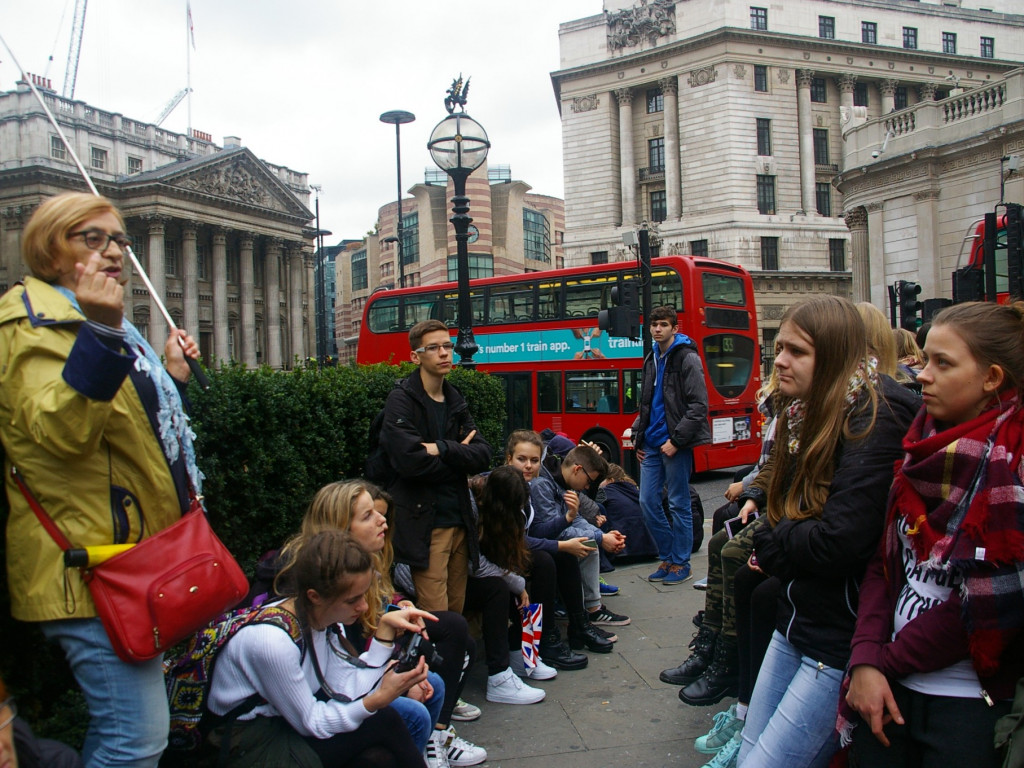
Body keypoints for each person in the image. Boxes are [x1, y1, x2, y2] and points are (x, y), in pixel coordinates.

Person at [0, 192, 203, 768]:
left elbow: (126, 434)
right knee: (133, 740)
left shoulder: (91, 319)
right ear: (49, 248)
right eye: (92, 238)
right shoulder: (30, 322)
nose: (113, 252)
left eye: (118, 240)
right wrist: (103, 333)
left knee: (130, 734)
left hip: (130, 559)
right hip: (88, 567)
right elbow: (59, 435)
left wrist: (171, 379)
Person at [734, 295, 918, 768]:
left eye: (796, 351)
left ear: (834, 355)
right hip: (794, 620)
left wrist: (777, 538)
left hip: (835, 640)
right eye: (779, 348)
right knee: (749, 753)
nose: (779, 361)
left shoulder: (876, 417)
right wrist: (782, 533)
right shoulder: (806, 411)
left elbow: (840, 540)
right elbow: (781, 509)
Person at [845, 301, 1024, 768]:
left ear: (992, 378)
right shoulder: (917, 449)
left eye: (943, 364)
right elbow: (884, 566)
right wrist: (864, 657)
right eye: (924, 359)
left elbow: (989, 599)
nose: (923, 374)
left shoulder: (1013, 465)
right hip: (888, 686)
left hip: (968, 703)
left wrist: (881, 663)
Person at [300, 480, 488, 767]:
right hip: (316, 715)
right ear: (339, 527)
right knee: (409, 709)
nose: (382, 520)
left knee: (454, 644)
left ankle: (437, 735)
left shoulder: (367, 562)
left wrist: (399, 606)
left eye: (383, 513)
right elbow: (311, 710)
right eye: (369, 515)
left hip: (353, 677)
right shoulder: (311, 599)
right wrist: (385, 690)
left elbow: (348, 659)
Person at [208, 529, 428, 767]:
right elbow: (312, 722)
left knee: (379, 758)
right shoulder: (272, 642)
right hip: (246, 743)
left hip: (280, 724)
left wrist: (384, 638)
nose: (364, 607)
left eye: (363, 595)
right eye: (352, 600)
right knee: (383, 723)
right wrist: (378, 700)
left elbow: (342, 685)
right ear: (314, 596)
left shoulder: (317, 618)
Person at [379, 319, 492, 614]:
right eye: (434, 348)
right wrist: (458, 458)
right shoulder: (401, 400)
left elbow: (482, 455)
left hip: (459, 520)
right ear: (415, 357)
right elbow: (410, 463)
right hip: (426, 523)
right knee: (436, 614)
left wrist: (441, 448)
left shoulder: (455, 398)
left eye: (447, 346)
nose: (444, 353)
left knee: (457, 609)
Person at [629, 305, 710, 585]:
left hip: (675, 443)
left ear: (675, 328)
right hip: (651, 443)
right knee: (648, 501)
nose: (657, 329)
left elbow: (699, 406)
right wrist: (638, 435)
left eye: (663, 324)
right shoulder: (652, 357)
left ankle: (681, 563)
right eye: (654, 324)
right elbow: (648, 402)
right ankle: (668, 557)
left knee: (678, 503)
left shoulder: (686, 357)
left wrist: (676, 441)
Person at [528, 444, 629, 648]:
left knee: (585, 543)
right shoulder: (541, 484)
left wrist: (602, 536)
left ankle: (587, 616)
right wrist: (600, 540)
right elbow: (552, 530)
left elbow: (575, 520)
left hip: (538, 540)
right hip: (532, 543)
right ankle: (568, 627)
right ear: (577, 469)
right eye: (590, 482)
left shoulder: (561, 483)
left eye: (533, 460)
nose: (586, 488)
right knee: (569, 550)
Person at [466, 466, 549, 704]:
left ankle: (523, 654)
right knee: (500, 587)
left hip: (474, 572)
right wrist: (517, 583)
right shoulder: (473, 506)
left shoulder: (496, 502)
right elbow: (475, 564)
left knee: (539, 565)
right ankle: (499, 677)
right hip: (458, 578)